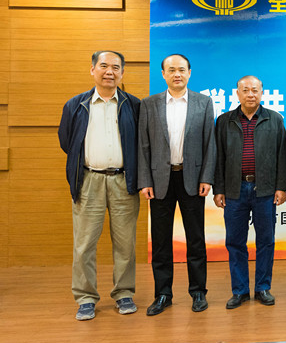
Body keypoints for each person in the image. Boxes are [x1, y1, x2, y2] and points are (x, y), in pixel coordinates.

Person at [58, 50, 141, 321]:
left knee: (125, 243)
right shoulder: (76, 105)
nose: (109, 72)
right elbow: (67, 141)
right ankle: (85, 298)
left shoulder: (133, 105)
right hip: (88, 180)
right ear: (92, 69)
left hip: (123, 181)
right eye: (103, 66)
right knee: (84, 244)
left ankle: (124, 293)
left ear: (122, 73)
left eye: (115, 67)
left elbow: (141, 143)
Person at [138, 54, 216, 316]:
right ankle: (163, 294)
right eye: (171, 70)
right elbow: (143, 146)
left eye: (181, 69)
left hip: (192, 179)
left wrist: (207, 177)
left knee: (196, 238)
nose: (177, 74)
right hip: (160, 180)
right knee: (161, 241)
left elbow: (210, 143)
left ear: (189, 72)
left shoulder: (203, 103)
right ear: (163, 74)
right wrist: (145, 180)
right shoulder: (149, 104)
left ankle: (198, 291)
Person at [213, 76, 286, 309]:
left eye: (254, 90)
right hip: (234, 189)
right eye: (245, 90)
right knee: (235, 241)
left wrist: (281, 187)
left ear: (261, 92)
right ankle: (240, 290)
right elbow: (218, 158)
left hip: (265, 189)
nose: (250, 94)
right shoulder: (224, 121)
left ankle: (263, 288)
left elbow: (282, 156)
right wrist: (219, 189)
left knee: (266, 240)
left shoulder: (274, 119)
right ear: (237, 93)